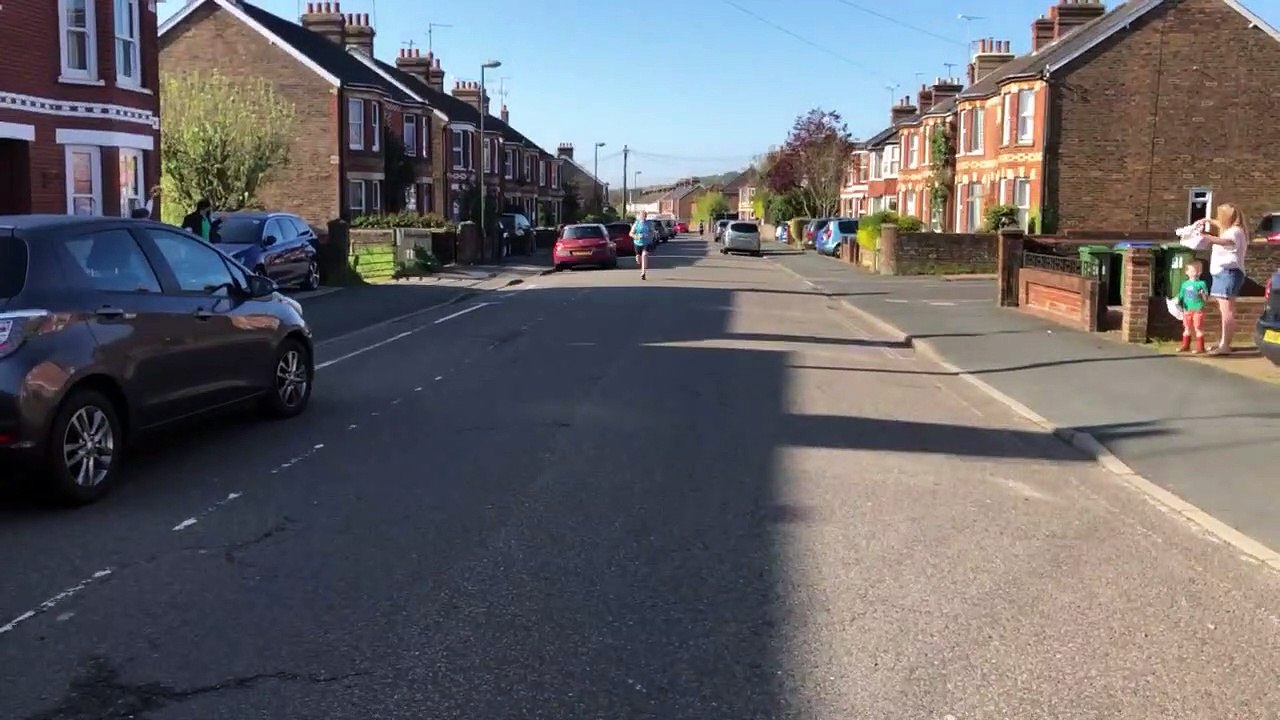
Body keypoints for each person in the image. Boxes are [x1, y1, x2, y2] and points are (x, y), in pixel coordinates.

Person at [1197, 203, 1249, 355]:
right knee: (1224, 310)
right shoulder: (1234, 229)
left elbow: (1226, 242)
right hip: (1224, 273)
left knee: (1227, 311)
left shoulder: (1235, 232)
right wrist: (1209, 220)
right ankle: (1223, 343)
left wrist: (1207, 237)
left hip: (1228, 273)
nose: (1219, 219)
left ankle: (1225, 345)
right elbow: (1221, 228)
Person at [1175, 259, 1209, 353]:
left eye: (1198, 270)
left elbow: (1206, 298)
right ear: (1187, 272)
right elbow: (1181, 295)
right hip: (1187, 310)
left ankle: (1200, 348)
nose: (1195, 273)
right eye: (1193, 271)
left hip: (1198, 309)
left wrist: (1202, 294)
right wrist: (1177, 300)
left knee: (1198, 327)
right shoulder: (1185, 284)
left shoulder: (1202, 284)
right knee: (1187, 328)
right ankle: (1185, 346)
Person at [630, 211, 654, 280]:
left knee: (644, 255)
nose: (643, 217)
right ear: (639, 216)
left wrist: (649, 235)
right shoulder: (636, 223)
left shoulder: (648, 223)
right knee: (638, 258)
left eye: (644, 215)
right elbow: (631, 233)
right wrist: (636, 236)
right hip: (637, 242)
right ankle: (638, 259)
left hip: (646, 242)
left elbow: (652, 232)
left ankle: (643, 272)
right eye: (642, 215)